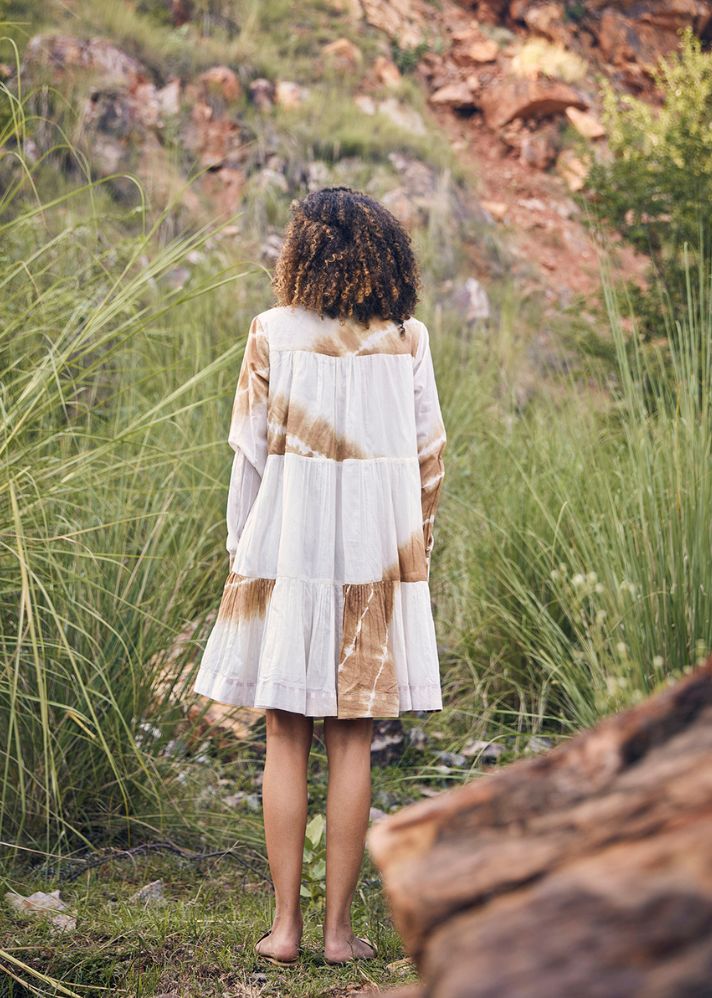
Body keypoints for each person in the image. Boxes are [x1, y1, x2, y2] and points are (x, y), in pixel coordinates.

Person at [193, 186, 447, 966]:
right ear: (383, 250)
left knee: (284, 735)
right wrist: (415, 562)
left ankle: (285, 930)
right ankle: (339, 935)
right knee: (353, 742)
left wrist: (246, 550)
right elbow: (430, 458)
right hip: (375, 561)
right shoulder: (407, 338)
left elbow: (251, 457)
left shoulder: (271, 332)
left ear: (302, 250)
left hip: (289, 553)